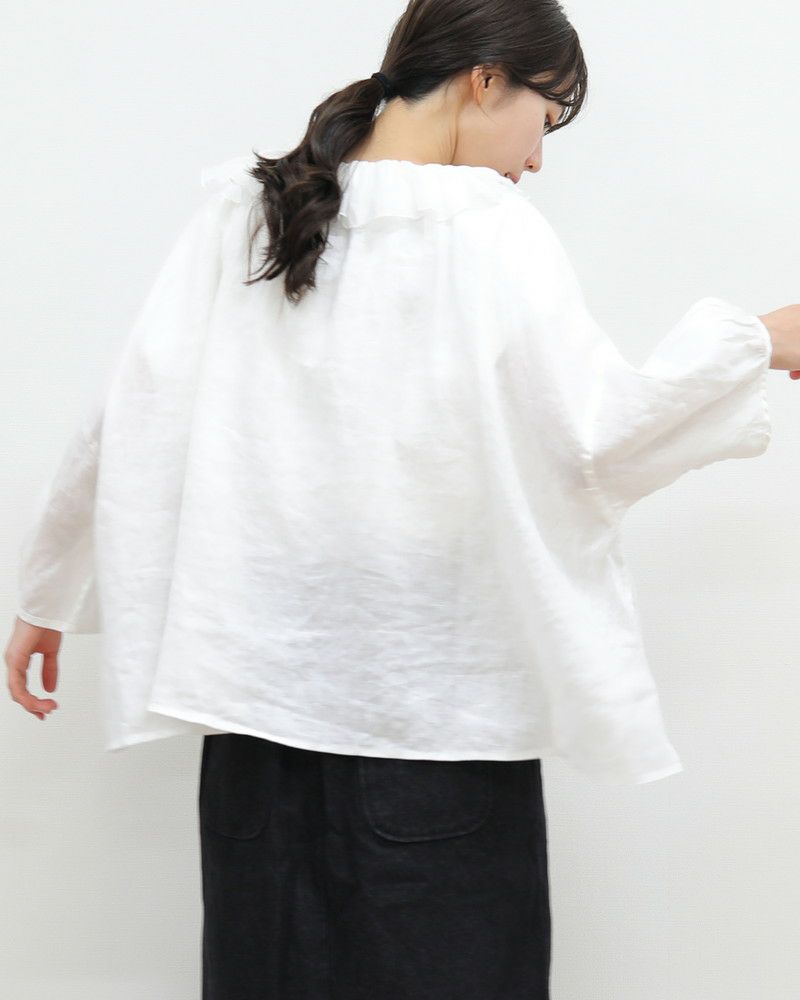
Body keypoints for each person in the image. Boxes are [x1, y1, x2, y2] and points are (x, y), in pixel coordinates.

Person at [6, 1, 800, 997]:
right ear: (484, 80)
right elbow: (590, 440)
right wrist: (755, 342)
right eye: (547, 117)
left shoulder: (245, 213)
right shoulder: (486, 232)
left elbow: (133, 413)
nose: (536, 157)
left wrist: (48, 591)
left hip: (254, 738)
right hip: (434, 732)